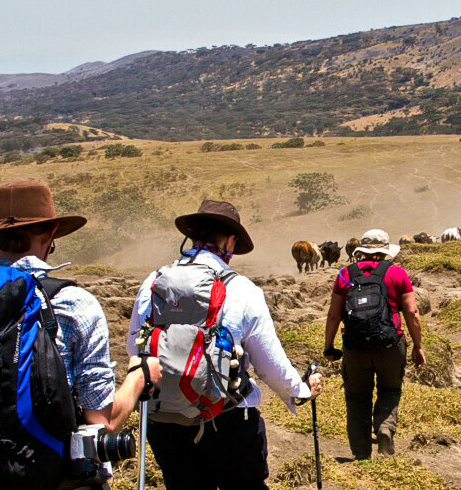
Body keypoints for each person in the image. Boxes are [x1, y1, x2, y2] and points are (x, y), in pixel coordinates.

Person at [0, 181, 158, 490]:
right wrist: (138, 378)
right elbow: (101, 424)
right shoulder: (74, 304)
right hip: (53, 478)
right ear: (50, 235)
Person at [126, 200, 322, 490]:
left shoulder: (153, 282)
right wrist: (301, 391)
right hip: (229, 421)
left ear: (190, 237)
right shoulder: (241, 289)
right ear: (230, 240)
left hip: (165, 422)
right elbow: (269, 363)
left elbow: (134, 348)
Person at [322, 229, 425, 461]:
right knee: (390, 390)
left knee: (357, 397)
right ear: (385, 251)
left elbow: (333, 315)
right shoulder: (397, 273)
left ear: (362, 250)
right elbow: (412, 312)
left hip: (355, 347)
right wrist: (418, 345)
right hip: (390, 344)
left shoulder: (345, 275)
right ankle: (385, 428)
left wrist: (329, 345)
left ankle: (361, 454)